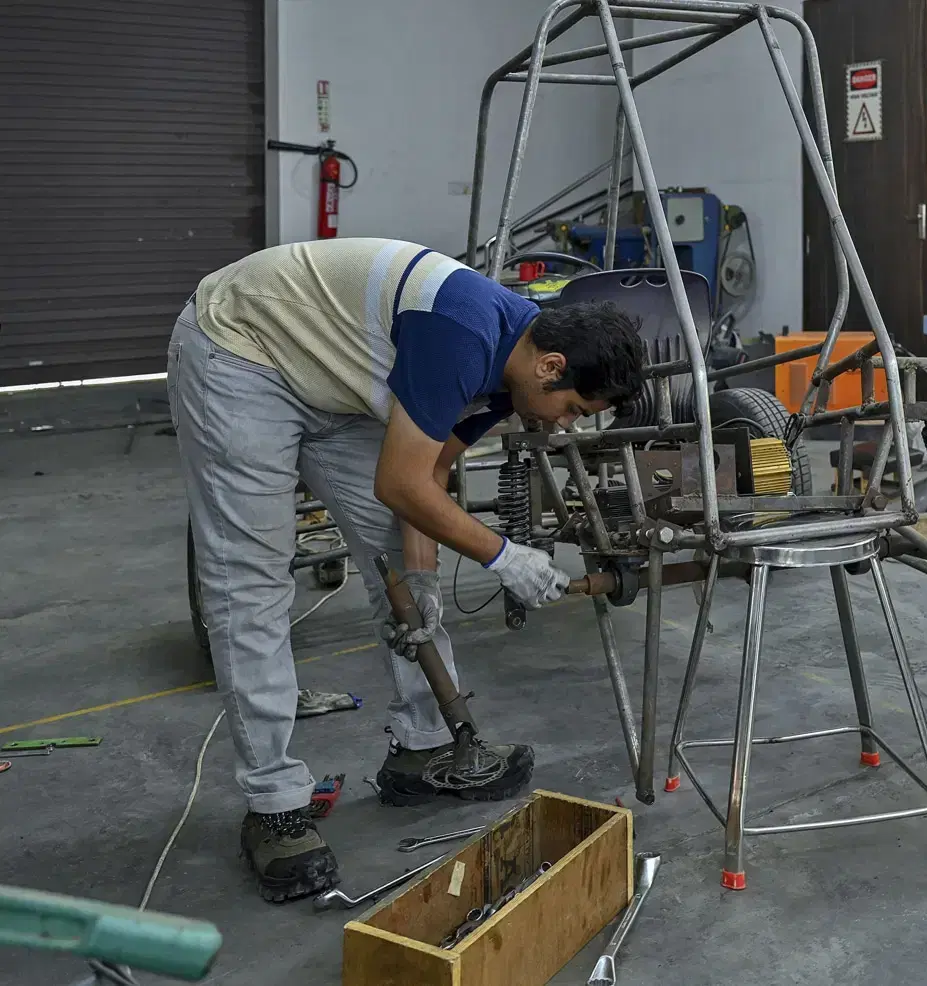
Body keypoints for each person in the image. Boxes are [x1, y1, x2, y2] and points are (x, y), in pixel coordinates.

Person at [166, 237, 646, 902]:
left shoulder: (511, 372)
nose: (564, 427)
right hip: (241, 348)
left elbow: (430, 471)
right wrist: (503, 554)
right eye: (572, 410)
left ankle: (425, 746)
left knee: (397, 567)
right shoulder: (462, 336)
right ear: (551, 366)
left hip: (329, 376)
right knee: (252, 582)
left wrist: (419, 582)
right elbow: (399, 482)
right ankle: (274, 805)